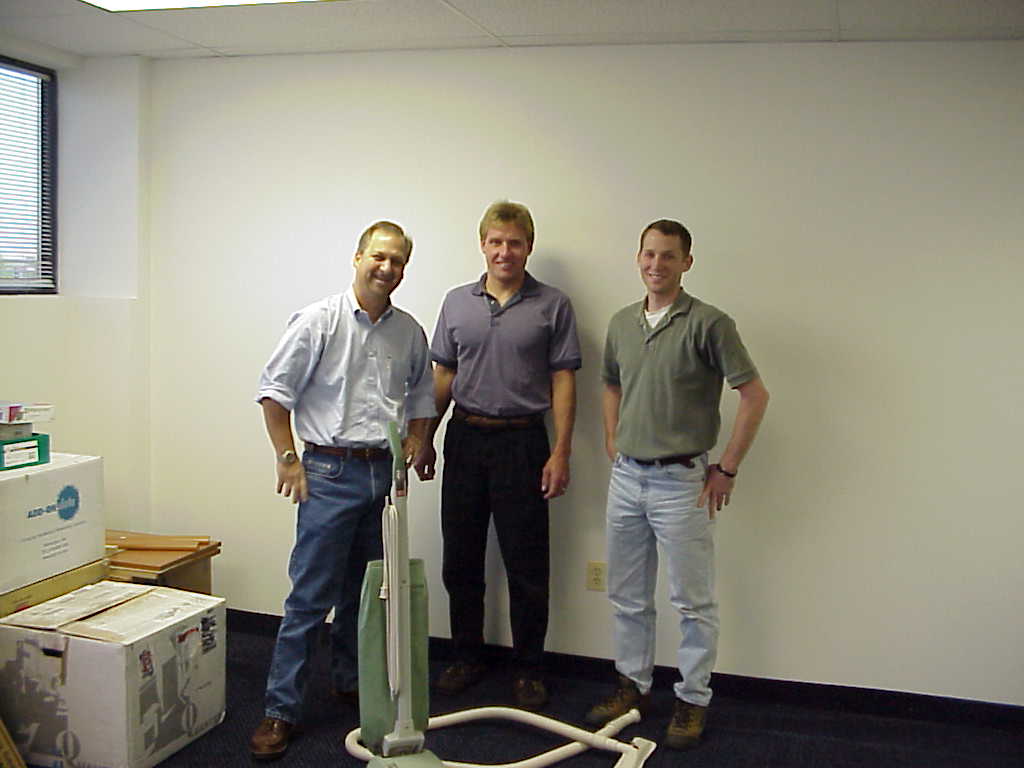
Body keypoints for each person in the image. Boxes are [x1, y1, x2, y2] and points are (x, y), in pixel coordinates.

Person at [249, 221, 435, 761]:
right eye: (379, 257)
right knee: (310, 598)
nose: (387, 268)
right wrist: (288, 459)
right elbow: (274, 394)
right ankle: (280, 711)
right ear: (357, 258)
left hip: (383, 476)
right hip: (329, 474)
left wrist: (417, 441)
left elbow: (423, 394)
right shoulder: (318, 321)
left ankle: (350, 682)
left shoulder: (409, 332)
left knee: (368, 593)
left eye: (397, 261)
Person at [586, 219, 769, 749]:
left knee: (692, 602)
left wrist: (727, 467)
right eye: (649, 254)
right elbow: (611, 383)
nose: (656, 264)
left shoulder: (709, 323)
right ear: (637, 257)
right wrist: (612, 436)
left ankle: (692, 699)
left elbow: (755, 395)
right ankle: (633, 687)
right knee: (627, 595)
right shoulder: (622, 322)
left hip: (682, 483)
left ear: (687, 262)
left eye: (668, 255)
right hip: (626, 478)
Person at [413, 201, 581, 711]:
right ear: (482, 245)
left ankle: (528, 668)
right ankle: (466, 656)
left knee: (526, 564)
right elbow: (443, 375)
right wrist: (425, 437)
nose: (504, 251)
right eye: (496, 242)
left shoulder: (553, 305)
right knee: (460, 558)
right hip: (466, 438)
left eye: (515, 243)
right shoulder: (456, 302)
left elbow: (563, 379)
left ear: (528, 247)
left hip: (523, 443)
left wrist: (561, 451)